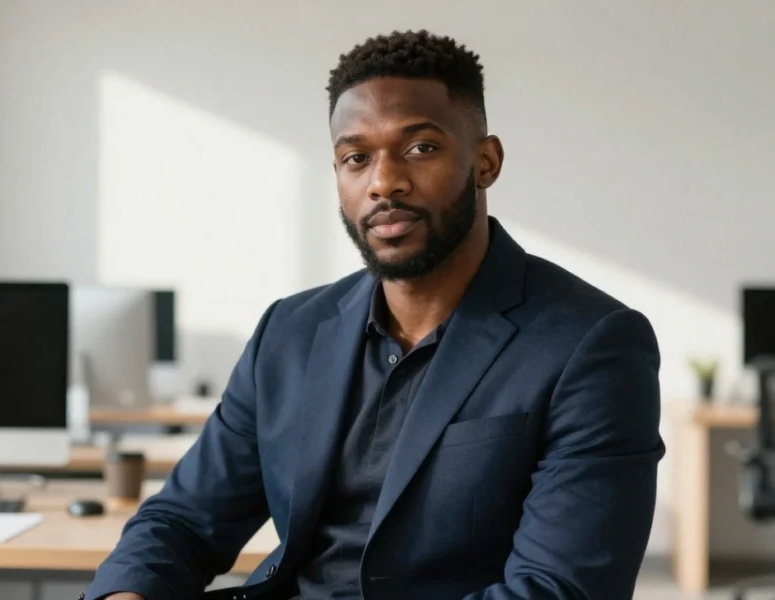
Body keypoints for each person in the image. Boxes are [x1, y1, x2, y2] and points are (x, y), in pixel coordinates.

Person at [82, 30, 664, 600]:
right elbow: (184, 519)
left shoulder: (591, 343)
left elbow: (560, 588)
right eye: (356, 157)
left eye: (420, 148)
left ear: (485, 162)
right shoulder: (290, 331)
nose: (384, 182)